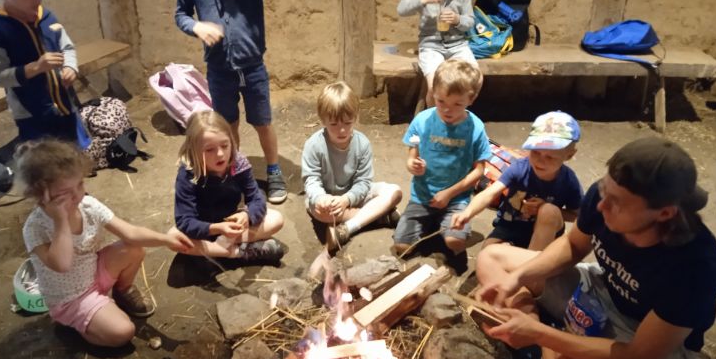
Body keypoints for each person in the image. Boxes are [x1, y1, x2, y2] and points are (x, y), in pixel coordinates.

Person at [474, 137, 716, 359]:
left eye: (618, 202)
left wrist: (539, 333)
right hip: (599, 289)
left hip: (643, 334)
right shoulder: (604, 197)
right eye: (605, 190)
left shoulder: (694, 267)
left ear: (665, 213)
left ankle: (540, 351)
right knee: (492, 258)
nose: (602, 204)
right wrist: (519, 278)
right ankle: (553, 344)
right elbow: (573, 245)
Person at [175, 0, 290, 204]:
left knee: (263, 121)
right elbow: (180, 15)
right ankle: (236, 170)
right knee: (228, 125)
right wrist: (196, 26)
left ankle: (274, 168)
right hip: (219, 70)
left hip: (253, 67)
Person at [17, 140, 193, 347]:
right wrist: (61, 220)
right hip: (72, 298)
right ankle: (77, 326)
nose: (78, 195)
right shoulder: (35, 228)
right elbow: (62, 264)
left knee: (133, 249)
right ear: (40, 197)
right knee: (123, 332)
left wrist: (165, 239)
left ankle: (122, 291)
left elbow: (130, 233)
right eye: (65, 194)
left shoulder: (88, 205)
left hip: (95, 272)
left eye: (80, 184)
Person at [0, 0, 90, 147]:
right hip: (32, 114)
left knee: (74, 154)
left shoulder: (46, 17)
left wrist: (70, 67)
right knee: (46, 164)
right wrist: (35, 68)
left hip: (66, 105)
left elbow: (67, 47)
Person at [393, 59, 491, 267]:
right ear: (434, 93)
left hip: (456, 199)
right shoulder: (423, 120)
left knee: (455, 243)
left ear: (470, 99)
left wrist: (449, 194)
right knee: (402, 248)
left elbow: (479, 171)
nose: (447, 110)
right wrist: (412, 164)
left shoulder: (475, 128)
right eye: (441, 102)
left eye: (457, 104)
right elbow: (411, 156)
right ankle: (433, 227)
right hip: (423, 195)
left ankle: (450, 232)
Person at [452, 111, 583, 251]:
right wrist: (467, 212)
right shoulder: (520, 168)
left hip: (546, 232)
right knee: (487, 252)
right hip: (511, 226)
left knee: (548, 211)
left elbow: (576, 215)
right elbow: (488, 193)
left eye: (550, 157)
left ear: (569, 155)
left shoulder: (569, 181)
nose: (540, 160)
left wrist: (543, 209)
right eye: (535, 152)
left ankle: (532, 265)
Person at [302, 81, 403, 256]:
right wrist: (321, 198)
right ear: (323, 119)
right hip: (328, 202)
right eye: (333, 124)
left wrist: (347, 199)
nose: (341, 130)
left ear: (355, 117)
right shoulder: (314, 145)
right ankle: (378, 217)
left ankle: (348, 228)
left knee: (395, 192)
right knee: (319, 213)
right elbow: (311, 180)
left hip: (352, 197)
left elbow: (363, 182)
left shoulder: (362, 143)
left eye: (348, 123)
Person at [173, 110, 285, 265]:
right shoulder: (188, 174)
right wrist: (216, 228)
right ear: (194, 150)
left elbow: (256, 197)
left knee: (276, 219)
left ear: (231, 142)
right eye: (209, 149)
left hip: (232, 224)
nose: (220, 154)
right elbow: (184, 220)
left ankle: (215, 251)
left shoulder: (238, 163)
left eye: (225, 145)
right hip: (204, 228)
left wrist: (247, 215)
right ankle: (236, 253)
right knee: (173, 238)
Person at [397, 0, 479, 108]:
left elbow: (470, 22)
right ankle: (434, 121)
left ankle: (457, 115)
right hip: (431, 45)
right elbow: (401, 9)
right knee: (435, 86)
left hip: (458, 45)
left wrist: (457, 20)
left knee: (476, 78)